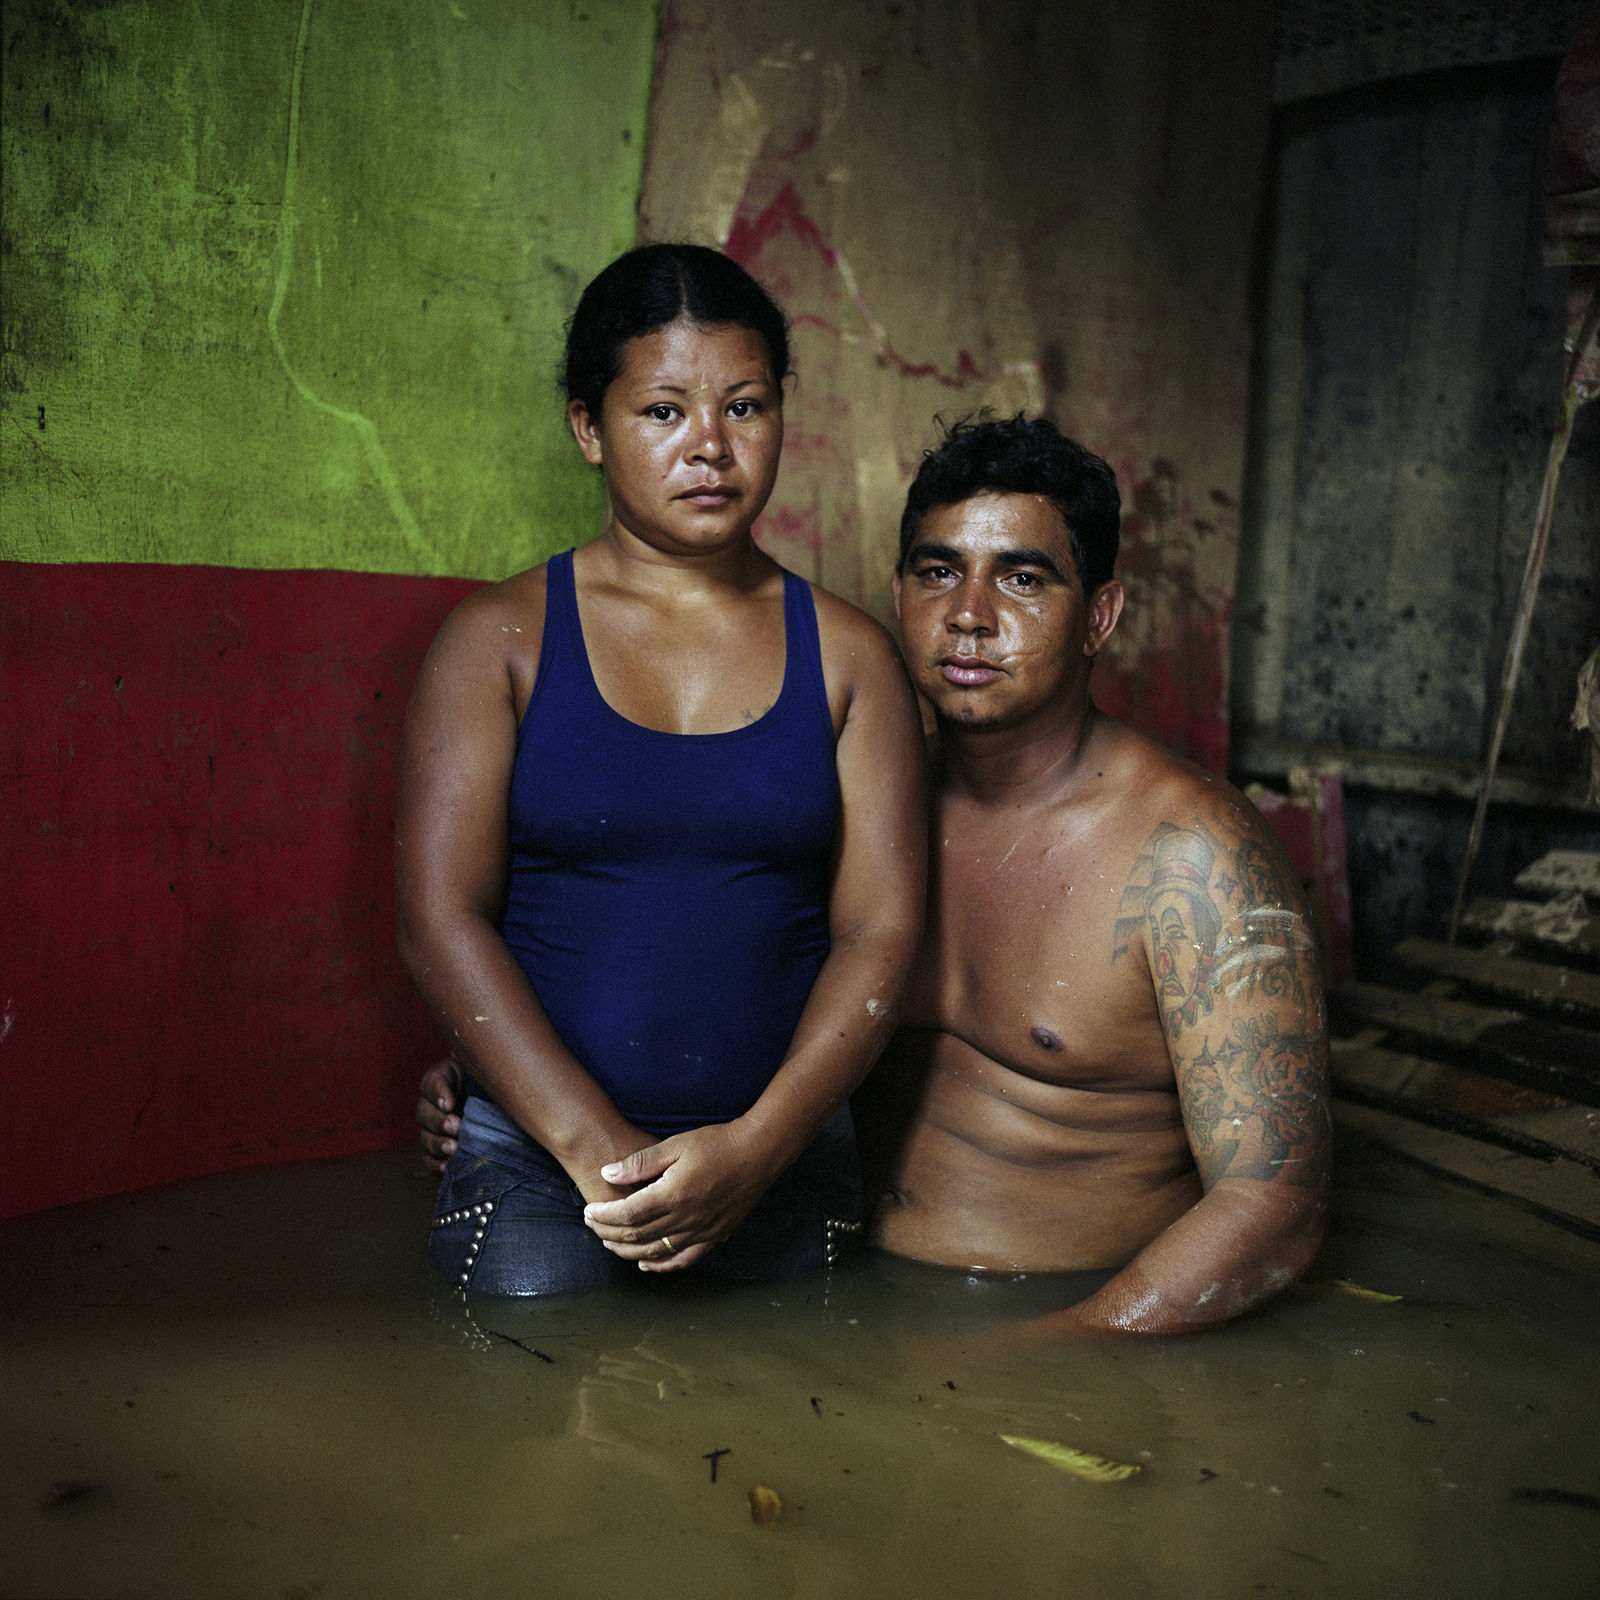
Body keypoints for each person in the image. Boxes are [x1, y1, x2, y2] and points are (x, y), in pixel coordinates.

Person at [417, 414, 1330, 1335]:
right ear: (897, 594)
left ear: (1099, 615)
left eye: (1022, 577)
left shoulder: (1193, 856)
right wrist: (497, 1078)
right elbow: (704, 965)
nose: (969, 614)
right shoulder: (843, 808)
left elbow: (1275, 1208)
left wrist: (1052, 1354)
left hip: (1059, 1328)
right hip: (832, 1297)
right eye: (938, 572)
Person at [397, 244, 925, 1296]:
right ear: (588, 428)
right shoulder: (497, 641)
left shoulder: (853, 658)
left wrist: (758, 1148)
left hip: (782, 1160)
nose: (711, 448)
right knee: (523, 1392)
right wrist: (601, 1158)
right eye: (662, 412)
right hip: (543, 1168)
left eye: (745, 407)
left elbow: (881, 931)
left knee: (812, 1398)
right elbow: (438, 919)